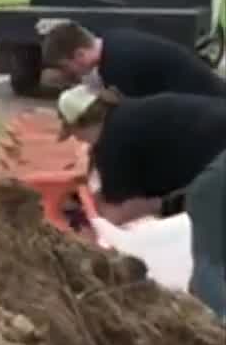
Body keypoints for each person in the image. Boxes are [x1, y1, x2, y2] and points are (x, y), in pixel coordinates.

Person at [57, 84, 226, 319]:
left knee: (209, 267)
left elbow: (119, 214)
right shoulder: (131, 113)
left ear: (81, 124)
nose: (79, 140)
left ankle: (218, 328)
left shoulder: (113, 141)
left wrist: (87, 214)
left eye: (74, 133)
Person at [42, 22, 226, 98]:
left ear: (80, 54)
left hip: (211, 105)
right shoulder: (114, 40)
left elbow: (134, 118)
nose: (69, 74)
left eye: (66, 67)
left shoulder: (117, 67)